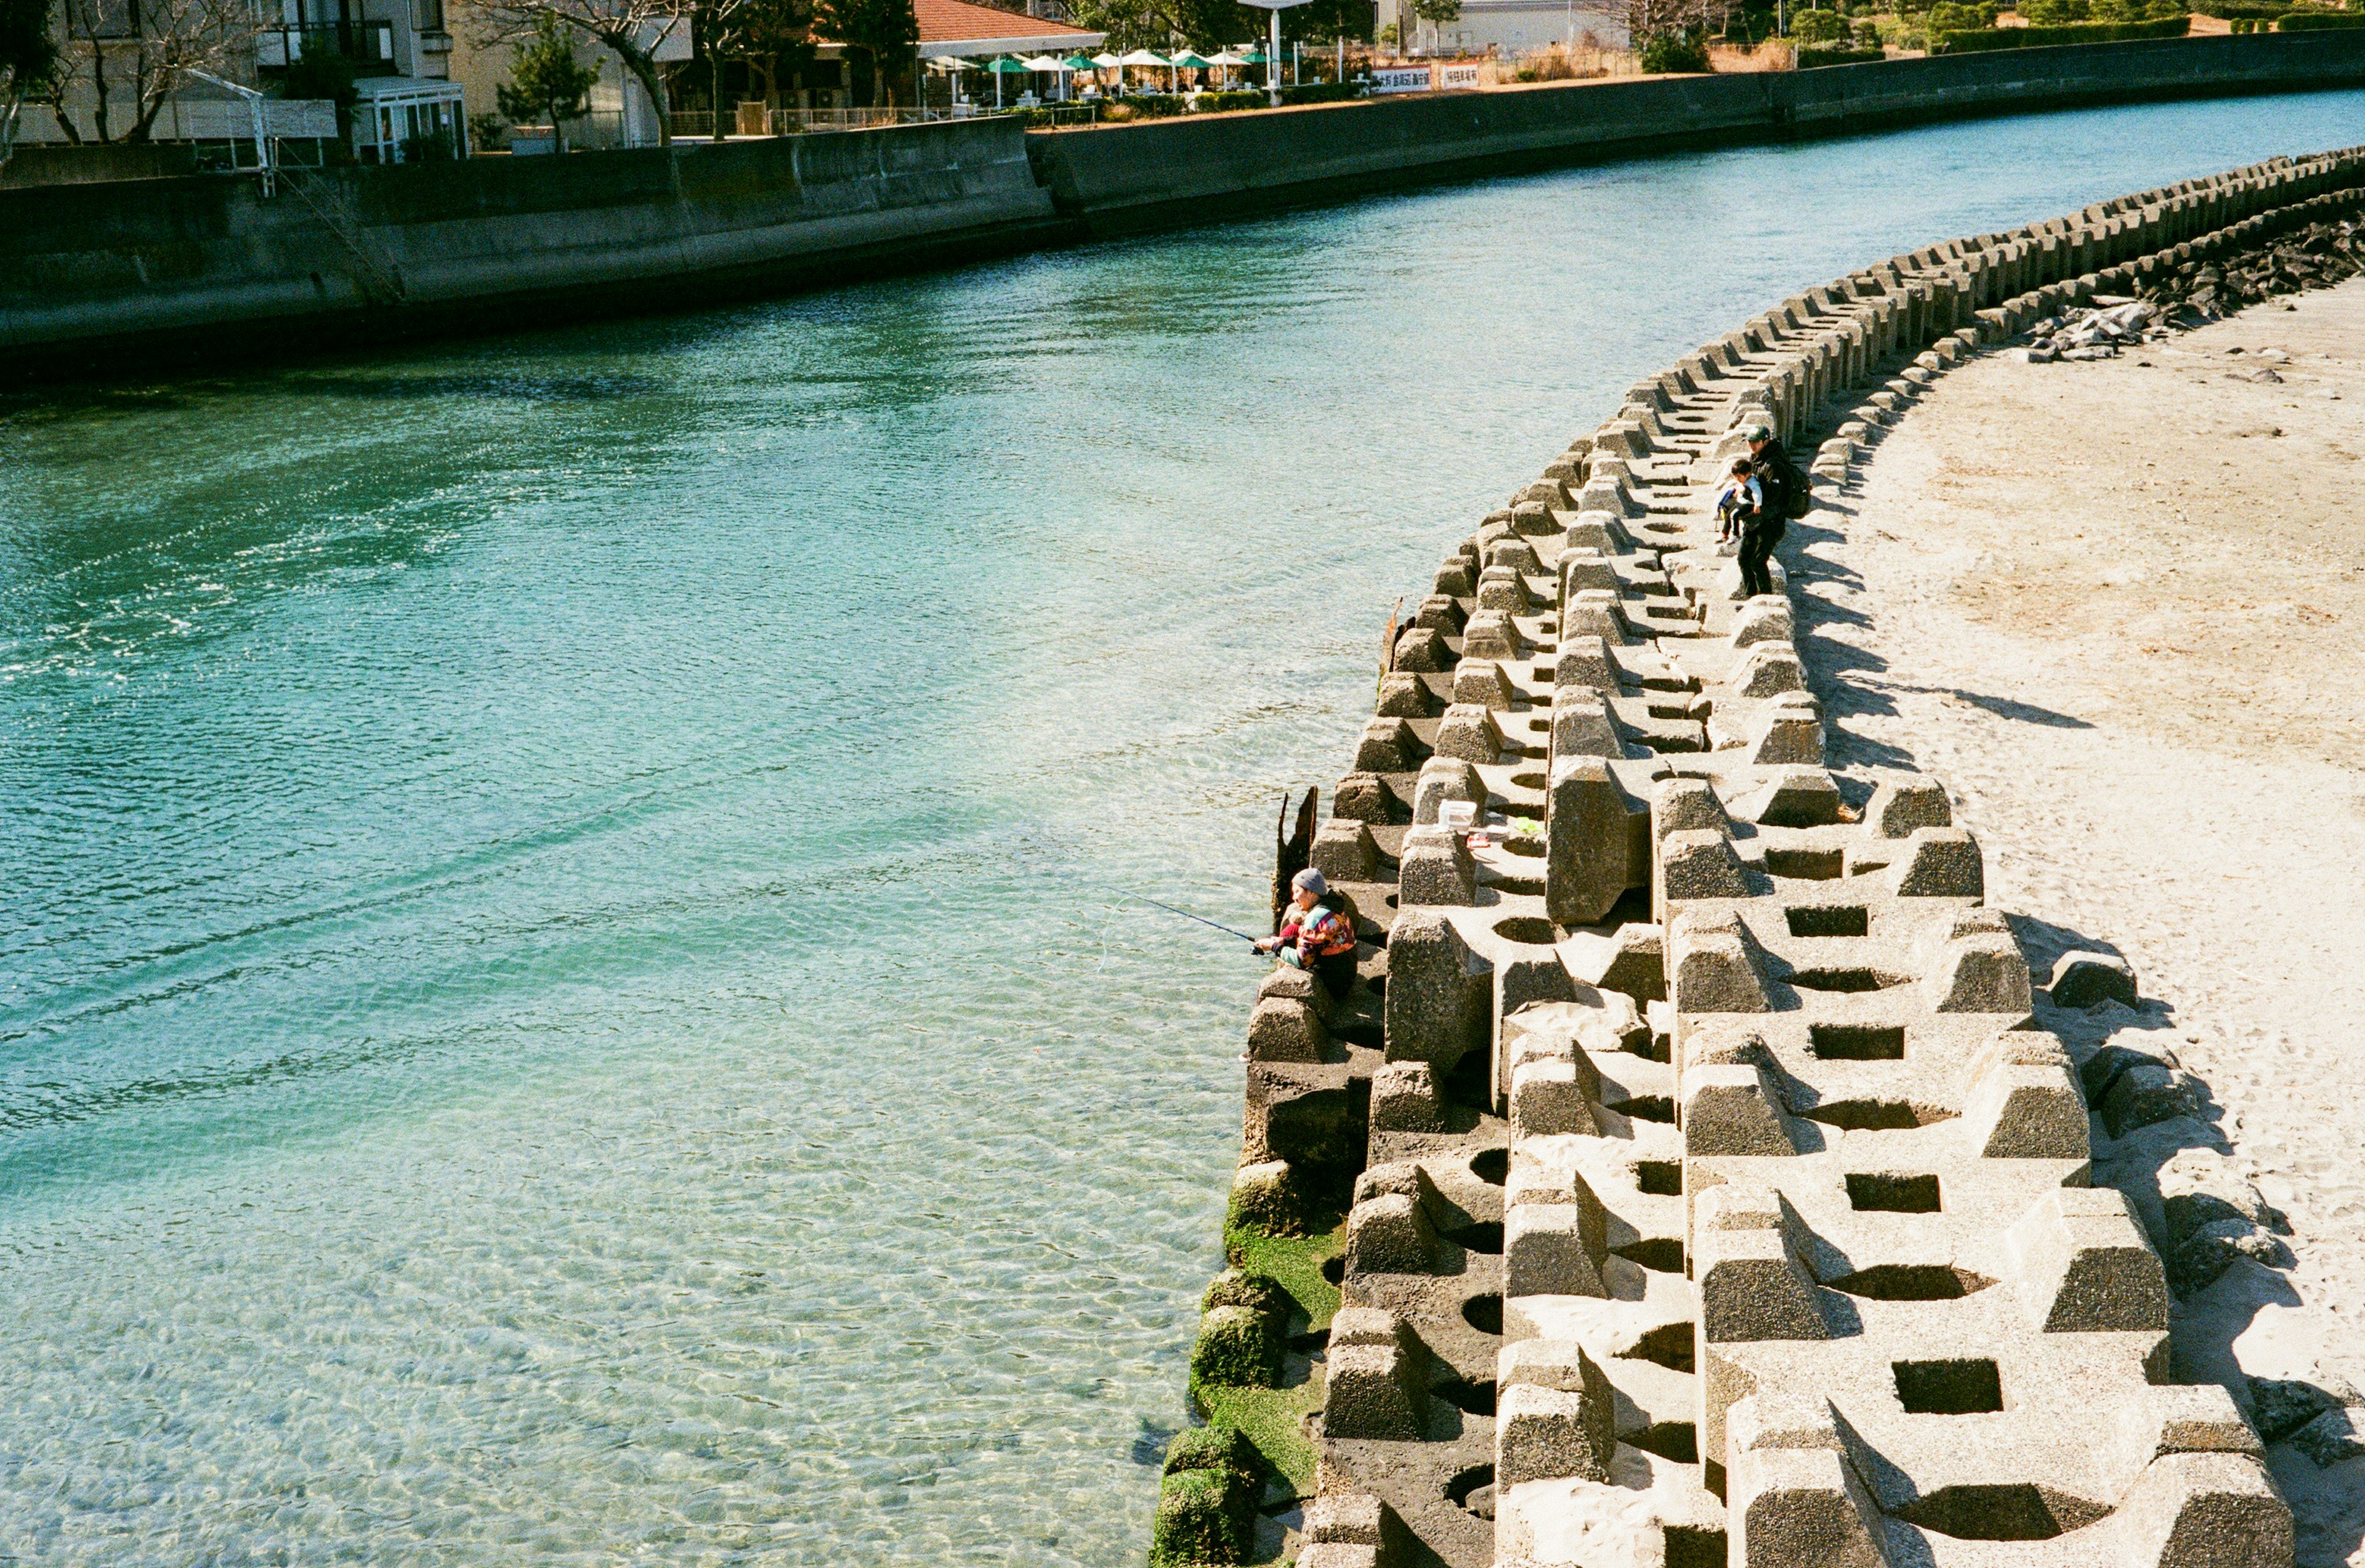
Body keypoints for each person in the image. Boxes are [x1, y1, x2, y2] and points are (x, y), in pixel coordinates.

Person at [1256, 867, 1358, 1001]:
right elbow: (1321, 941)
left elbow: (1302, 961)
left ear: (1311, 892)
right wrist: (1286, 941)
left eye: (1297, 892)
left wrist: (1273, 946)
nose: (1294, 898)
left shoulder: (1315, 918)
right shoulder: (1334, 908)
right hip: (1347, 974)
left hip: (1335, 985)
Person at [1737, 423, 1802, 600]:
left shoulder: (1774, 464)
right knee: (1743, 559)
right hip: (1755, 519)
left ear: (1766, 442)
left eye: (1755, 442)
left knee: (1758, 562)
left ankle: (1765, 599)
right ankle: (1751, 597)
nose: (1751, 446)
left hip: (1771, 522)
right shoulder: (1755, 460)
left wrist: (1753, 499)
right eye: (1749, 442)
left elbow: (1774, 496)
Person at [1713, 457, 1760, 549]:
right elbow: (1741, 487)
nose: (1737, 479)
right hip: (1741, 502)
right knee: (1728, 515)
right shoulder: (1745, 480)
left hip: (1748, 504)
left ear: (1748, 474)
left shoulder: (1753, 483)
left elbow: (1757, 494)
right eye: (1735, 476)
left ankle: (1736, 535)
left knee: (1734, 515)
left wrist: (1757, 505)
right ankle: (1724, 533)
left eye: (1739, 476)